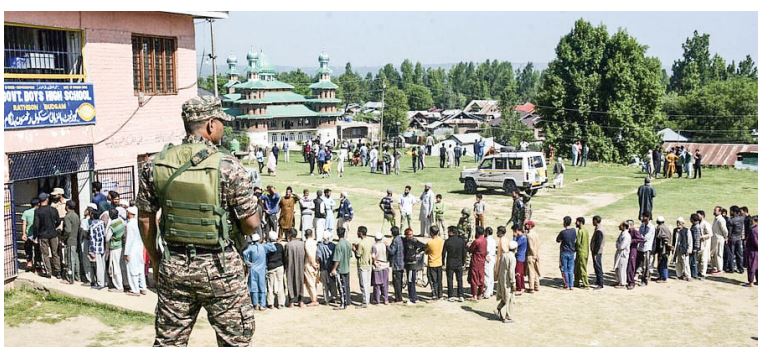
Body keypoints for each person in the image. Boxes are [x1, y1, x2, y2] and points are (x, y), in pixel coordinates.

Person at [136, 96, 259, 345]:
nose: (223, 128)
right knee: (235, 342)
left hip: (175, 265)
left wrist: (157, 258)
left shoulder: (155, 165)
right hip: (221, 266)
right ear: (211, 125)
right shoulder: (228, 166)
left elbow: (145, 219)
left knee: (169, 342)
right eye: (221, 123)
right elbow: (251, 223)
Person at [243, 233, 276, 310]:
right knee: (262, 286)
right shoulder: (263, 246)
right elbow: (274, 248)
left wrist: (247, 261)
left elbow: (244, 253)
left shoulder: (251, 248)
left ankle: (255, 304)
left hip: (253, 269)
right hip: (261, 270)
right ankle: (262, 304)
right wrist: (268, 242)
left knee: (254, 287)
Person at [33, 192, 61, 278]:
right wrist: (54, 227)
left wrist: (35, 236)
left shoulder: (38, 211)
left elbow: (36, 225)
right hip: (53, 234)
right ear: (47, 199)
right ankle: (58, 271)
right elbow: (59, 221)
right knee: (55, 253)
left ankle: (48, 272)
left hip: (43, 235)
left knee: (45, 254)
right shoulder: (53, 209)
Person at [123, 207, 146, 296]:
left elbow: (129, 240)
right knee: (140, 269)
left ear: (130, 213)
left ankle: (135, 289)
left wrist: (126, 253)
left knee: (132, 270)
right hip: (139, 248)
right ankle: (143, 287)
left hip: (132, 249)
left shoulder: (130, 225)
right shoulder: (139, 224)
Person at [495, 237, 518, 323]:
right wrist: (513, 283)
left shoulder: (504, 255)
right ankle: (508, 316)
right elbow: (511, 272)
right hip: (508, 281)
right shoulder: (512, 258)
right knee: (509, 298)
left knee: (505, 297)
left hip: (502, 279)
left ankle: (498, 309)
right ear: (515, 249)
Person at [442, 226, 466, 302]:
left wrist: (443, 262)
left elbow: (443, 253)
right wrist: (463, 262)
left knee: (450, 279)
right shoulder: (461, 241)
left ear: (451, 232)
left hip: (450, 263)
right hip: (459, 262)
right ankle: (460, 295)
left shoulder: (447, 241)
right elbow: (464, 253)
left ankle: (451, 295)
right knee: (459, 280)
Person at [331, 227, 352, 310]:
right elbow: (350, 255)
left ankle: (343, 304)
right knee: (347, 286)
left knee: (341, 287)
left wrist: (334, 269)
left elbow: (337, 259)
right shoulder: (348, 243)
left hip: (341, 269)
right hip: (347, 267)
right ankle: (348, 301)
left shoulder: (338, 245)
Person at [403, 228, 425, 304]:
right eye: (409, 234)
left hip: (412, 264)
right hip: (407, 264)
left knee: (411, 281)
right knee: (409, 281)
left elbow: (424, 246)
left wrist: (417, 253)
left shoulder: (414, 241)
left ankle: (413, 297)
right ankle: (411, 295)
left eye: (411, 234)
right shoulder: (403, 241)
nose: (411, 236)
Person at [353, 226, 374, 307]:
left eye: (358, 232)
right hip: (369, 264)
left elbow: (358, 255)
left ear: (361, 233)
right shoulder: (369, 241)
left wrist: (354, 249)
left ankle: (365, 302)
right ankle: (367, 299)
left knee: (363, 284)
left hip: (362, 265)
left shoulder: (361, 243)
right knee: (367, 283)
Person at [61, 200, 81, 284]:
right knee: (76, 260)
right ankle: (77, 277)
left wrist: (63, 237)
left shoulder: (67, 217)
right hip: (75, 240)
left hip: (69, 241)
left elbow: (68, 230)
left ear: (67, 207)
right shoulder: (76, 216)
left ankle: (70, 278)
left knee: (70, 261)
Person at [266, 231, 287, 310]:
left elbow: (266, 258)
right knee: (280, 284)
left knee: (270, 285)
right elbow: (283, 257)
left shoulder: (267, 247)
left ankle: (270, 303)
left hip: (270, 267)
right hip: (279, 266)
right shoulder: (280, 246)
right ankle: (280, 303)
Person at [285, 229, 306, 307]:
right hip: (300, 265)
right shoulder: (302, 244)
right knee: (300, 282)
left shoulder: (288, 245)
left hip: (290, 266)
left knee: (290, 282)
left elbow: (285, 256)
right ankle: (301, 301)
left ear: (289, 235)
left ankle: (291, 302)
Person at [106, 208, 125, 292]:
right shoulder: (121, 221)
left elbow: (107, 238)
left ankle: (119, 286)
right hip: (120, 245)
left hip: (114, 247)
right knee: (119, 265)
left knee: (115, 267)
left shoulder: (112, 225)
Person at [89, 210, 109, 289]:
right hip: (102, 247)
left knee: (98, 266)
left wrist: (91, 250)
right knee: (103, 265)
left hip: (96, 248)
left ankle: (100, 283)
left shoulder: (93, 225)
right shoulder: (102, 223)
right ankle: (105, 281)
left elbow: (92, 239)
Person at [316, 230, 337, 305]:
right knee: (333, 283)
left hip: (323, 268)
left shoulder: (320, 246)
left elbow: (318, 257)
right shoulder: (333, 246)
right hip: (332, 267)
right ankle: (334, 297)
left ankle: (326, 299)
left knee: (325, 285)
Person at [555, 216, 576, 290]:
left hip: (564, 252)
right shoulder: (574, 231)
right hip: (572, 252)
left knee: (565, 269)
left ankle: (566, 284)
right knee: (571, 269)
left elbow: (557, 240)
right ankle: (571, 285)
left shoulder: (563, 232)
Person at [468, 226, 488, 300]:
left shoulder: (477, 241)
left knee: (474, 279)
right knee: (481, 278)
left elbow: (471, 250)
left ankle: (474, 295)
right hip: (482, 261)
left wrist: (468, 246)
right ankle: (480, 294)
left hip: (475, 261)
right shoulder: (485, 240)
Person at [387, 226, 405, 303]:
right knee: (400, 281)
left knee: (396, 282)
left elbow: (392, 251)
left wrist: (387, 246)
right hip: (401, 263)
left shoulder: (395, 241)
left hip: (396, 264)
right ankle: (399, 296)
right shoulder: (400, 239)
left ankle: (398, 297)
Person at [425, 225, 444, 300]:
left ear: (431, 233)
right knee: (439, 280)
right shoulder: (441, 240)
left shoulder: (430, 242)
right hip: (439, 262)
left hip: (432, 263)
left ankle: (434, 294)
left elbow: (426, 252)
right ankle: (440, 294)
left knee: (433, 280)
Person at [21, 197, 40, 272]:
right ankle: (37, 264)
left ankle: (29, 263)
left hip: (29, 234)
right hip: (38, 234)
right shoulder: (39, 211)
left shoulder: (26, 212)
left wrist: (23, 234)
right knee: (37, 249)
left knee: (28, 249)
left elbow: (24, 224)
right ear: (38, 204)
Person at [371, 232, 390, 305]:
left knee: (377, 284)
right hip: (385, 265)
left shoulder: (374, 246)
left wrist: (374, 262)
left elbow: (373, 256)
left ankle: (377, 300)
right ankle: (386, 299)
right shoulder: (384, 245)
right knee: (385, 284)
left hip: (378, 265)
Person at [303, 229, 320, 306]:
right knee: (313, 282)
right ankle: (313, 298)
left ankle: (314, 300)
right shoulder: (315, 242)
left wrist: (313, 263)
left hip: (310, 264)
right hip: (316, 263)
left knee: (310, 283)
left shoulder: (307, 243)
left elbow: (309, 254)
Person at [637, 213, 655, 286]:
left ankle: (645, 279)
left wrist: (640, 237)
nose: (643, 218)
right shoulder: (642, 225)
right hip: (640, 247)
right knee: (640, 265)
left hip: (646, 248)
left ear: (648, 217)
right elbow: (639, 234)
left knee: (646, 265)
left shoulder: (651, 227)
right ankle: (640, 277)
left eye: (644, 217)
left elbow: (645, 238)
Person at [672, 217, 693, 281]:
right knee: (677, 262)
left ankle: (688, 276)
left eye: (680, 223)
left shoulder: (687, 230)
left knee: (685, 263)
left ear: (683, 224)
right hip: (677, 249)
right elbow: (674, 240)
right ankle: (679, 275)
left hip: (684, 249)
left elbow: (690, 240)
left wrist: (689, 249)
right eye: (677, 222)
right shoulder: (675, 230)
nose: (678, 224)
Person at [710, 206, 728, 274]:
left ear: (720, 212)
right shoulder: (716, 219)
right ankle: (714, 268)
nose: (714, 211)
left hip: (719, 238)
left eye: (715, 210)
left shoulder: (721, 219)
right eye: (714, 210)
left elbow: (725, 230)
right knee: (713, 254)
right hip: (714, 238)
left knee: (718, 254)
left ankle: (720, 269)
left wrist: (725, 237)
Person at [653, 216, 672, 282]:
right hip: (665, 249)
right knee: (663, 262)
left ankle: (663, 278)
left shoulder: (660, 228)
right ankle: (662, 276)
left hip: (663, 249)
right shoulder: (666, 227)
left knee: (662, 263)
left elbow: (663, 238)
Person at [613, 222, 631, 288]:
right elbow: (617, 242)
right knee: (617, 268)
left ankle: (622, 283)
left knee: (622, 269)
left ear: (624, 226)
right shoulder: (622, 234)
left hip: (623, 254)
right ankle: (619, 281)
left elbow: (621, 246)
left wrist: (618, 245)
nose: (619, 226)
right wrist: (618, 245)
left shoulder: (626, 235)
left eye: (621, 225)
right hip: (619, 253)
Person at [728, 206, 746, 273]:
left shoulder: (731, 220)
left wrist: (728, 237)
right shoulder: (742, 218)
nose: (730, 212)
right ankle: (741, 268)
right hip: (739, 238)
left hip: (732, 238)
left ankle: (732, 268)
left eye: (731, 211)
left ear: (733, 211)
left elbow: (730, 231)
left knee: (731, 254)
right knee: (739, 254)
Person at [574, 217, 590, 289]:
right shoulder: (586, 230)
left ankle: (586, 284)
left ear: (580, 222)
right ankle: (576, 282)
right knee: (577, 268)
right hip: (585, 252)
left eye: (576, 222)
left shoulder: (580, 231)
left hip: (581, 252)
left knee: (582, 268)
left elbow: (578, 242)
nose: (575, 223)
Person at [696, 210, 712, 278]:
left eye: (698, 215)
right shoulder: (698, 223)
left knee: (703, 259)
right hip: (699, 244)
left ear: (702, 215)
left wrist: (702, 237)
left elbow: (710, 234)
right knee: (698, 259)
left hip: (705, 244)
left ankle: (703, 273)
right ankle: (698, 271)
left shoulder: (706, 224)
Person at [590, 216, 605, 289]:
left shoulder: (599, 230)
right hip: (597, 251)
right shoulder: (598, 228)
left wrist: (595, 252)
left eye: (593, 221)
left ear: (596, 221)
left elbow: (598, 243)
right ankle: (598, 280)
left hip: (597, 252)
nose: (592, 222)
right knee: (596, 266)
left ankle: (600, 283)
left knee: (598, 267)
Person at [744, 216, 758, 287]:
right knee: (757, 266)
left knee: (751, 266)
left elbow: (755, 241)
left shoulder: (753, 230)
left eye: (752, 221)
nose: (751, 222)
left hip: (752, 251)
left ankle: (751, 282)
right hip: (756, 251)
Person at [483, 227, 497, 298]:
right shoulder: (493, 240)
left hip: (488, 257)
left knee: (487, 276)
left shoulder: (487, 240)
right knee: (491, 275)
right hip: (493, 257)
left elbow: (487, 250)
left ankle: (487, 293)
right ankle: (490, 290)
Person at [513, 225, 528, 294]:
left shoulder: (522, 238)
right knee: (521, 274)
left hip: (519, 257)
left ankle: (519, 288)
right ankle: (522, 287)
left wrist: (514, 237)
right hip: (521, 257)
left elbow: (514, 244)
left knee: (518, 274)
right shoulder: (522, 237)